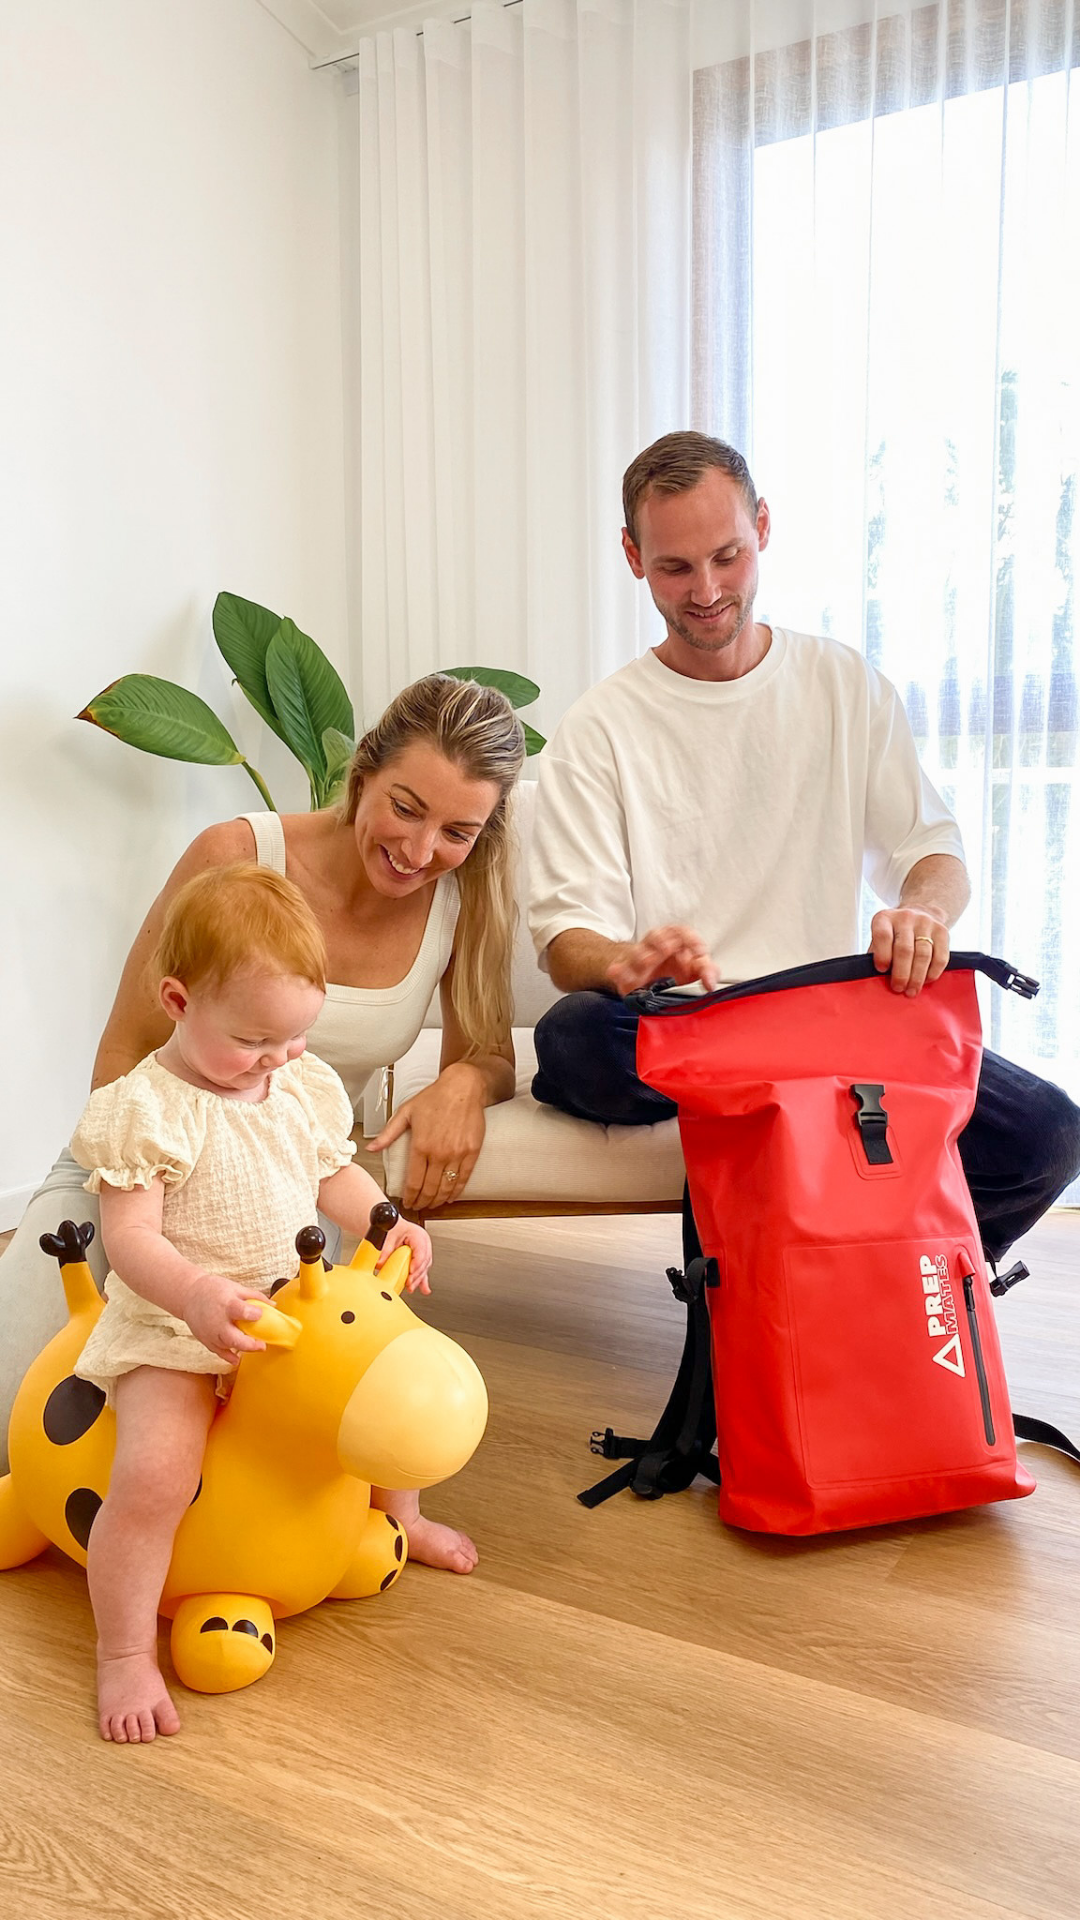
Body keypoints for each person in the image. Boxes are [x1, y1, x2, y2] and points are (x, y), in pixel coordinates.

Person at [1, 673, 525, 1573]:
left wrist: (464, 1081)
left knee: (311, 1407)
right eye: (405, 807)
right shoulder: (238, 856)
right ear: (362, 772)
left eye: (457, 831)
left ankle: (378, 1525)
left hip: (289, 1190)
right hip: (149, 1172)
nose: (419, 850)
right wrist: (154, 1222)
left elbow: (488, 1053)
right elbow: (126, 1050)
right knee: (19, 1418)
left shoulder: (462, 896)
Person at [529, 432, 1080, 1264]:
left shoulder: (843, 685)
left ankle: (895, 1272)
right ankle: (825, 1233)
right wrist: (628, 962)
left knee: (1050, 1134)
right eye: (676, 567)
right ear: (633, 557)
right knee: (573, 1037)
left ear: (763, 526)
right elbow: (567, 940)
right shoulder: (600, 726)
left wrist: (924, 913)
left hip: (826, 1017)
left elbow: (933, 851)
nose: (707, 591)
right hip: (697, 1022)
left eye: (727, 557)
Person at [69, 862, 433, 1743]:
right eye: (255, 1040)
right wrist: (195, 1295)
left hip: (294, 1315)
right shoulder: (146, 1110)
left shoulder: (297, 1086)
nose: (278, 1057)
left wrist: (388, 1221)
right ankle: (124, 1651)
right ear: (177, 1000)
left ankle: (404, 1515)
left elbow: (333, 1174)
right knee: (154, 1476)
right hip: (176, 1324)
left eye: (296, 1036)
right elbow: (131, 1240)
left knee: (394, 1380)